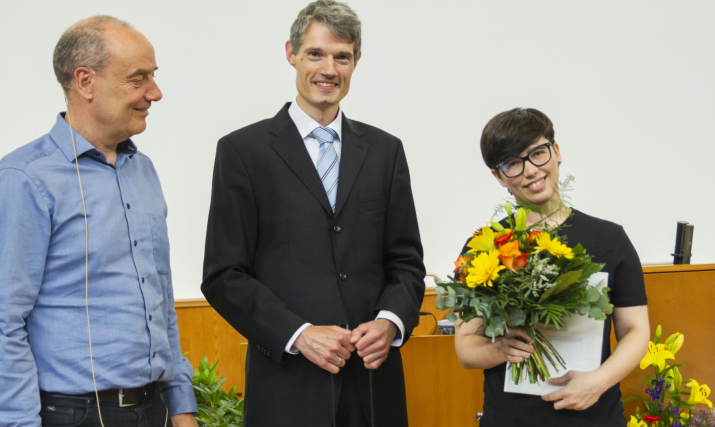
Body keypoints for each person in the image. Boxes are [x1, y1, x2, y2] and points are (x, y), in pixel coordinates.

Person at [201, 1, 425, 426]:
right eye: (315, 54)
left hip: (374, 391)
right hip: (287, 388)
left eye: (342, 57)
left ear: (357, 61)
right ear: (291, 53)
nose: (329, 69)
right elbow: (224, 275)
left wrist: (391, 322)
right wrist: (299, 335)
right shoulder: (243, 152)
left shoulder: (385, 151)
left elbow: (406, 263)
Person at [0, 16, 198, 427]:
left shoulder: (142, 169)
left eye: (154, 76)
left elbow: (160, 300)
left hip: (157, 411)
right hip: (73, 415)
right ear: (85, 81)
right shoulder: (23, 180)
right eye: (138, 78)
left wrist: (181, 405)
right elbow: (2, 323)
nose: (155, 92)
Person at [454, 108, 650, 426]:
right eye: (513, 163)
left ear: (556, 152)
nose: (530, 170)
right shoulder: (485, 247)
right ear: (498, 176)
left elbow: (636, 331)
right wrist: (501, 348)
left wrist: (598, 382)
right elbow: (465, 349)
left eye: (537, 154)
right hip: (512, 417)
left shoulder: (609, 239)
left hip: (594, 415)